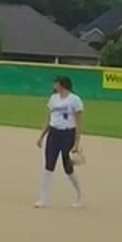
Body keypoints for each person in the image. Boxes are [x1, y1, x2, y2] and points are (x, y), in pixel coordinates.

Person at [36, 75, 85, 208]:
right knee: (49, 165)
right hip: (54, 133)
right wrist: (41, 136)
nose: (54, 85)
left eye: (56, 83)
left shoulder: (75, 100)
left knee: (67, 167)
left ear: (62, 84)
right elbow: (49, 119)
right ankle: (42, 199)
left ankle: (79, 194)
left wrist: (76, 143)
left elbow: (79, 124)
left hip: (68, 134)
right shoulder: (53, 99)